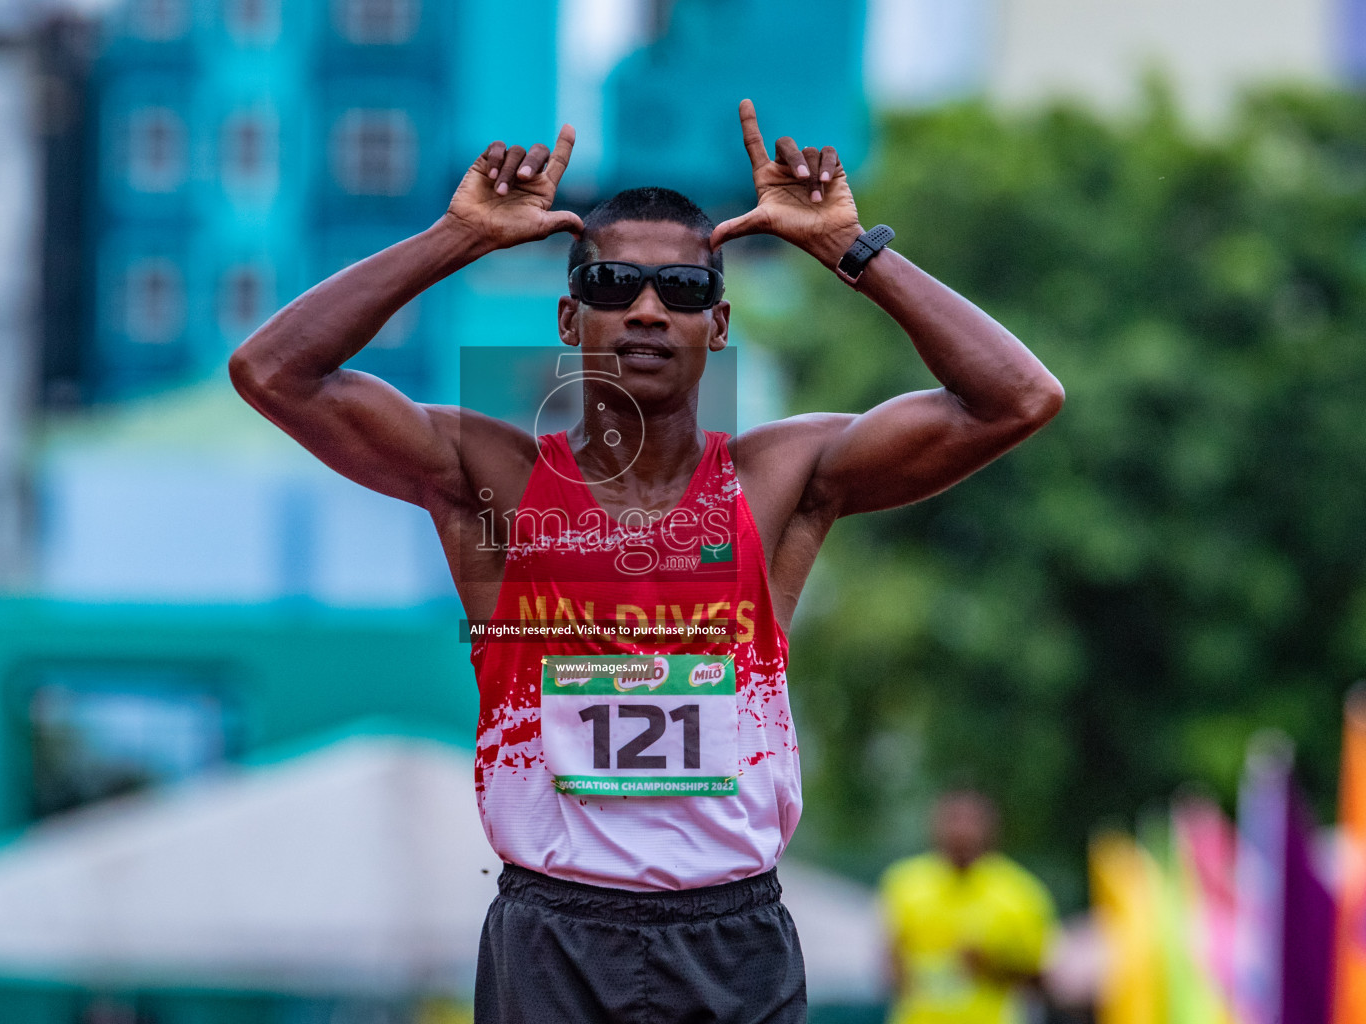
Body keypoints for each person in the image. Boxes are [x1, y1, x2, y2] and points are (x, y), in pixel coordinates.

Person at [229, 100, 1064, 1024]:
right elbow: (275, 374)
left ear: (720, 324)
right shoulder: (489, 478)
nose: (648, 311)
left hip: (732, 937)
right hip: (554, 938)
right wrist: (455, 239)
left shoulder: (779, 479)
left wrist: (849, 252)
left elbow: (1017, 399)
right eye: (616, 285)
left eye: (684, 292)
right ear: (568, 316)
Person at [880, 790, 1058, 1024]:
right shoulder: (904, 884)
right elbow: (890, 961)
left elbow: (1045, 981)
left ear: (991, 829)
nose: (960, 830)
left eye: (970, 821)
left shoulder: (1021, 894)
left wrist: (990, 967)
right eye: (952, 819)